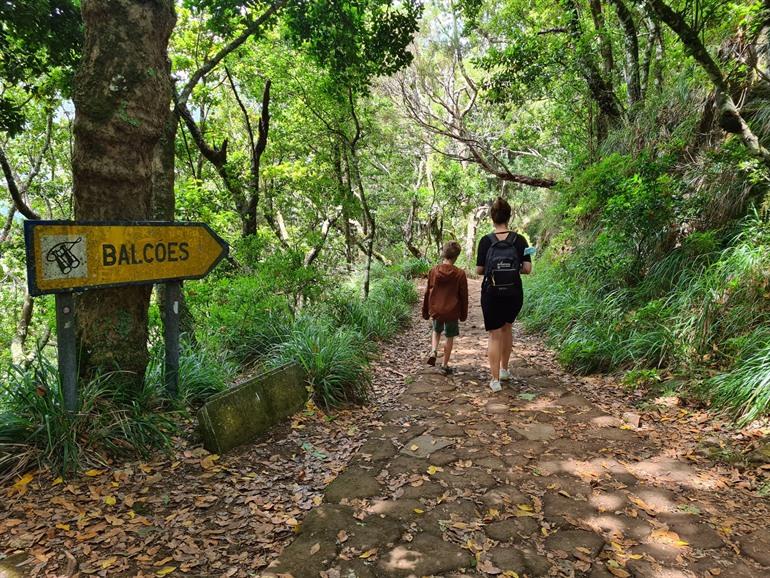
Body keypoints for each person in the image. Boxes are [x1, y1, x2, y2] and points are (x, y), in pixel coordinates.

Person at [476, 197, 532, 392]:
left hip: (491, 293)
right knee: (507, 328)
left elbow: (479, 270)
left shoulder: (485, 241)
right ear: (510, 216)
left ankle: (494, 381)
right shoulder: (520, 240)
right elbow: (527, 269)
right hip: (514, 292)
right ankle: (505, 370)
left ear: (492, 217)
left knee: (494, 335)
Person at [422, 241, 469, 375]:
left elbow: (428, 292)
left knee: (436, 331)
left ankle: (433, 350)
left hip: (437, 310)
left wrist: (426, 311)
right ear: (456, 256)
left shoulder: (434, 271)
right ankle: (444, 364)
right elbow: (463, 295)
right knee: (449, 337)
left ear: (443, 253)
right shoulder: (460, 274)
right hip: (452, 312)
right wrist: (463, 314)